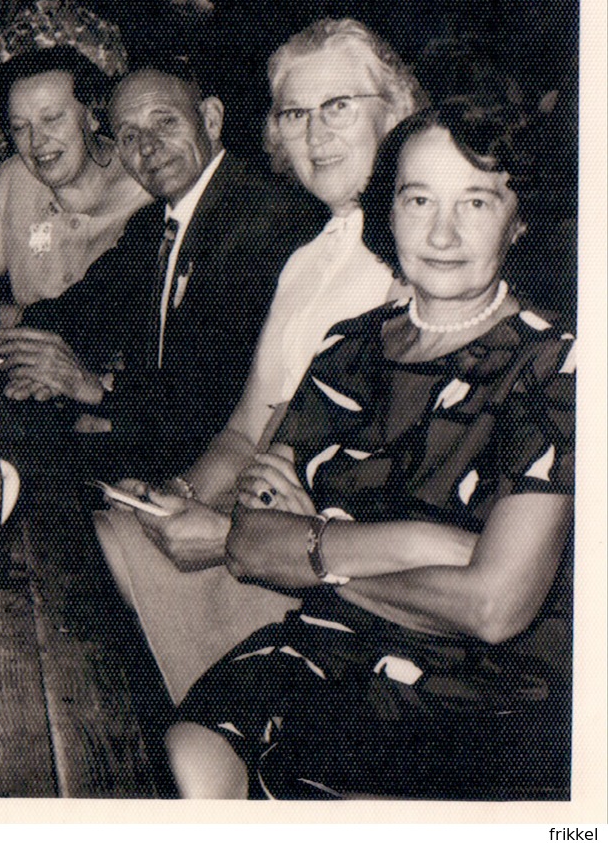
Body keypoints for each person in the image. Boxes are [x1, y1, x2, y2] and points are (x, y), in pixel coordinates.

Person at [165, 99, 573, 800]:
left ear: (519, 219)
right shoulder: (347, 347)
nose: (442, 232)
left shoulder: (559, 365)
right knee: (178, 764)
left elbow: (494, 609)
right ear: (389, 210)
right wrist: (432, 544)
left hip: (476, 696)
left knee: (310, 791)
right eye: (418, 200)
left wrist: (317, 547)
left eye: (476, 201)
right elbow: (248, 544)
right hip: (318, 651)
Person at [123, 19, 428, 569]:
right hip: (260, 533)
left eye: (338, 106)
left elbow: (392, 479)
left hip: (334, 568)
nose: (314, 135)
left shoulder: (419, 260)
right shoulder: (306, 260)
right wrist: (180, 496)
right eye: (295, 114)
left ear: (395, 110)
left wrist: (232, 536)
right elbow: (244, 434)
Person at [0, 62, 323, 480]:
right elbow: (81, 310)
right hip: (157, 446)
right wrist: (8, 338)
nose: (147, 147)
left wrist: (94, 386)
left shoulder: (263, 217)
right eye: (129, 136)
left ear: (211, 119)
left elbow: (210, 397)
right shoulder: (154, 225)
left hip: (224, 474)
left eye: (164, 122)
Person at [0, 46, 150, 315]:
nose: (36, 142)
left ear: (91, 116)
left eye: (52, 119)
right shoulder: (15, 179)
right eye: (20, 127)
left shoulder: (147, 185)